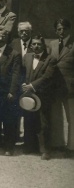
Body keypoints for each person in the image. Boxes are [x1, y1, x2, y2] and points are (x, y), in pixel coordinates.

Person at [21, 35, 59, 160]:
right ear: (31, 45)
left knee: (43, 122)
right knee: (28, 119)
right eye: (34, 44)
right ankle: (29, 146)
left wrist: (32, 86)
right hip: (28, 95)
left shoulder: (50, 59)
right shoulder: (27, 57)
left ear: (44, 46)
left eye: (39, 44)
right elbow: (22, 72)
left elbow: (47, 77)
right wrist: (23, 84)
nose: (36, 46)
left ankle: (45, 150)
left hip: (43, 95)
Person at [0, 26, 22, 156]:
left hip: (7, 92)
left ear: (7, 38)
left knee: (9, 119)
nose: (0, 38)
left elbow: (16, 74)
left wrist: (12, 91)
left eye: (3, 36)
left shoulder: (14, 54)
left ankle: (9, 145)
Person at [47, 18, 73, 152]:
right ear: (55, 31)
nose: (62, 31)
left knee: (72, 117)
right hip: (55, 86)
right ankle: (57, 144)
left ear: (69, 29)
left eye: (64, 28)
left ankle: (72, 146)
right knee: (56, 115)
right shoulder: (52, 44)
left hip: (71, 87)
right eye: (59, 29)